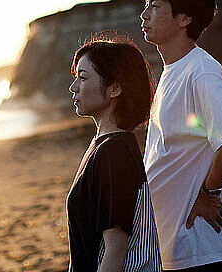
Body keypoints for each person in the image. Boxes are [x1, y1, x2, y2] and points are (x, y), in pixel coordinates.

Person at [140, 0, 222, 271]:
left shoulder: (199, 71)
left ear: (184, 18)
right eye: (145, 5)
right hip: (169, 248)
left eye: (154, 5)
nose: (144, 14)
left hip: (194, 250)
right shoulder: (173, 70)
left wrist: (209, 193)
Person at [66, 33, 163, 272]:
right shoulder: (104, 144)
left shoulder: (113, 153)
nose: (73, 87)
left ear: (115, 88)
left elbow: (116, 250)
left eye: (83, 77)